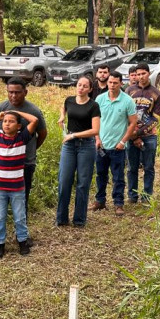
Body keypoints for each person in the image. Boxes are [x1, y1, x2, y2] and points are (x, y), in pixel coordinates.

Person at [0, 78, 47, 252]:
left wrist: (30, 151)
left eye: (17, 92)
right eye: (10, 92)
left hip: (25, 163)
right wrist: (3, 151)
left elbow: (42, 133)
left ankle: (22, 237)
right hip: (3, 166)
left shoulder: (33, 110)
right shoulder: (0, 108)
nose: (13, 95)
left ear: (25, 92)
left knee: (22, 201)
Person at [0, 110, 39, 257]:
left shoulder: (22, 137)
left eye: (11, 121)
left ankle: (22, 241)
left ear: (18, 126)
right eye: (5, 121)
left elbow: (34, 120)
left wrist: (17, 112)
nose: (7, 124)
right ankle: (0, 244)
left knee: (19, 216)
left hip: (17, 187)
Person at [90, 71, 138, 216]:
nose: (112, 85)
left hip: (118, 146)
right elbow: (95, 120)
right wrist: (97, 138)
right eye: (110, 82)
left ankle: (118, 203)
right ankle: (100, 200)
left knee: (118, 177)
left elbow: (133, 122)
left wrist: (123, 141)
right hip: (102, 145)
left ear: (121, 83)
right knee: (100, 174)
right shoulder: (100, 99)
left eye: (115, 83)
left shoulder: (127, 101)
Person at [57, 76, 100, 227]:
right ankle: (61, 219)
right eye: (79, 85)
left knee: (83, 183)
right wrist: (62, 116)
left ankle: (79, 219)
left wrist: (74, 135)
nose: (81, 88)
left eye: (84, 86)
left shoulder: (93, 106)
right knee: (64, 181)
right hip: (69, 145)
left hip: (86, 145)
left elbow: (95, 130)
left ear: (90, 89)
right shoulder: (69, 100)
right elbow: (64, 108)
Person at [125, 62, 160, 203]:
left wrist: (139, 133)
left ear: (149, 73)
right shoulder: (129, 91)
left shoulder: (156, 93)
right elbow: (124, 114)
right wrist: (133, 135)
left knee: (149, 167)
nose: (141, 77)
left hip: (149, 135)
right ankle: (132, 195)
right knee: (132, 167)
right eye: (138, 74)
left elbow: (156, 118)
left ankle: (147, 195)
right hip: (131, 134)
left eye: (143, 73)